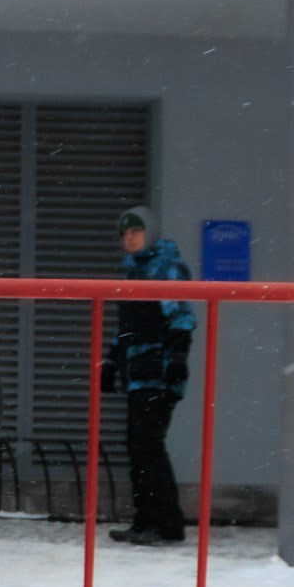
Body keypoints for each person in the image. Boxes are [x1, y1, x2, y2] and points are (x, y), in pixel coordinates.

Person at [104, 205, 195, 547]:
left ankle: (166, 524)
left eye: (136, 231)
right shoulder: (135, 273)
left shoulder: (166, 269)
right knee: (138, 446)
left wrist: (177, 358)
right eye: (125, 232)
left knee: (149, 446)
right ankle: (145, 520)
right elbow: (127, 330)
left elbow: (181, 317)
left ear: (150, 233)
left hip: (158, 373)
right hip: (137, 374)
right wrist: (112, 362)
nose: (130, 237)